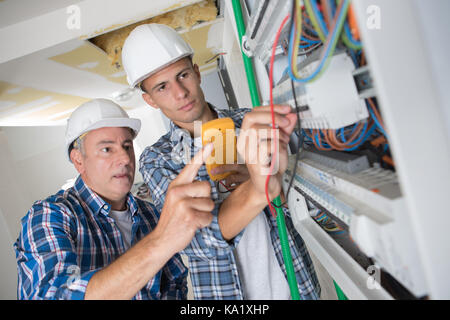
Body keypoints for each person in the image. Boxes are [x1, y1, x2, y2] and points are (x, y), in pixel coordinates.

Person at [121, 24, 321, 300]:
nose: (180, 93)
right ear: (150, 100)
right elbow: (197, 243)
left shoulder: (250, 121)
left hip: (297, 286)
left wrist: (278, 189)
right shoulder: (158, 159)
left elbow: (307, 199)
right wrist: (258, 189)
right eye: (163, 87)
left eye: (183, 75)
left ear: (197, 72)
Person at [14, 98, 215, 300]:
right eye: (107, 149)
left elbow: (174, 282)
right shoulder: (51, 216)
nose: (126, 159)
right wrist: (161, 241)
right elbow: (54, 295)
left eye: (127, 146)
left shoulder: (151, 215)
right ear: (78, 160)